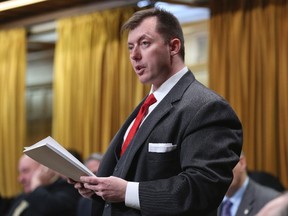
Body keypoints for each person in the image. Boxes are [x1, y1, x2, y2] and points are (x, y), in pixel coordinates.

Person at [71, 8, 243, 216]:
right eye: (130, 47)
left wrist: (126, 191)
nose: (134, 55)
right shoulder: (148, 106)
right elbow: (137, 175)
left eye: (145, 43)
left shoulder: (207, 107)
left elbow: (202, 188)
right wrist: (98, 188)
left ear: (173, 46)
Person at [1, 154, 81, 216]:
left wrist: (36, 184)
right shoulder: (24, 195)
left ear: (45, 169)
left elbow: (48, 208)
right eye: (20, 172)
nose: (20, 179)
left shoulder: (67, 188)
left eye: (25, 171)